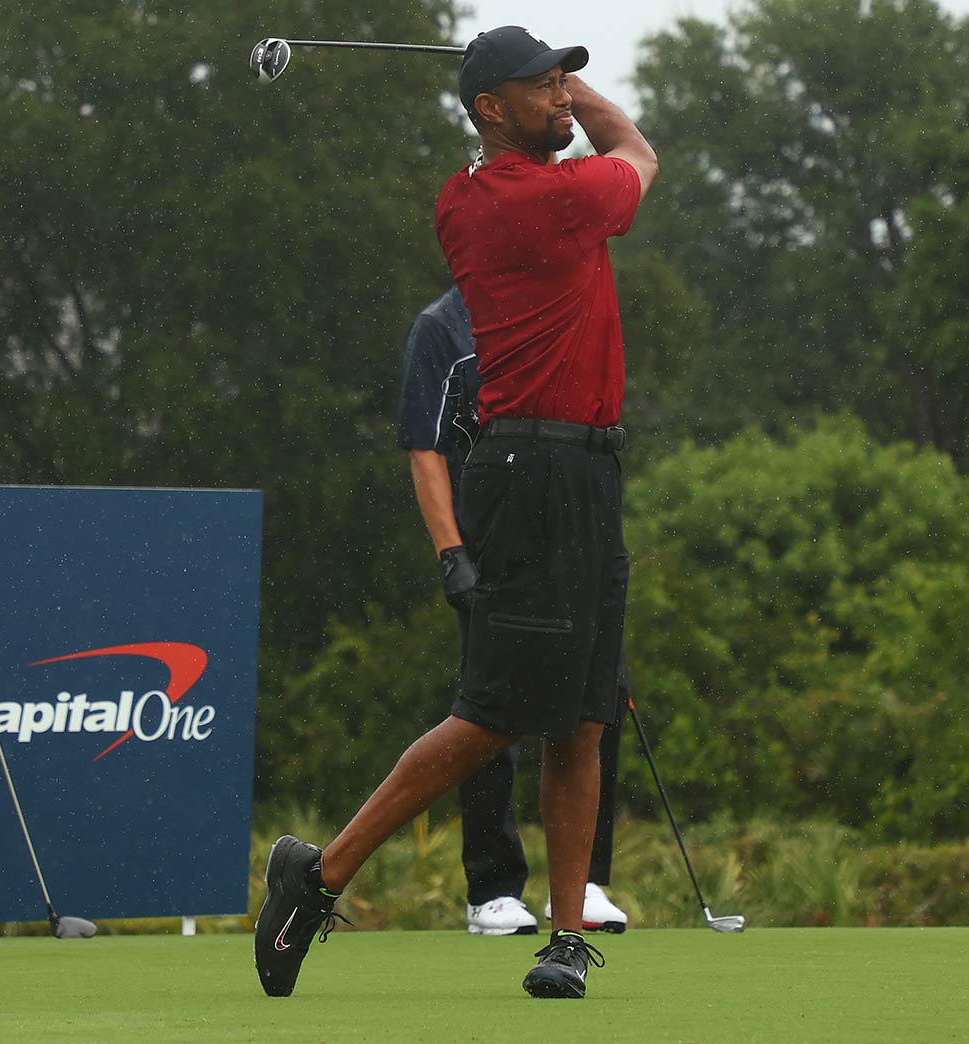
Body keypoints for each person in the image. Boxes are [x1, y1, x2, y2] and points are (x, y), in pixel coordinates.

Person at [255, 26, 656, 1000]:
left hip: (588, 473)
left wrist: (555, 84)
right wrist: (583, 104)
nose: (561, 101)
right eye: (539, 90)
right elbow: (637, 154)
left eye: (564, 86)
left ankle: (562, 938)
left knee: (584, 720)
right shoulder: (529, 202)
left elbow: (599, 139)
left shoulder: (488, 185)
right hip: (527, 474)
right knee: (491, 717)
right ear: (487, 109)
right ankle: (315, 876)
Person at [396, 287, 631, 939]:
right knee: (489, 712)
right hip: (493, 538)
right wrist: (451, 553)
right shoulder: (440, 327)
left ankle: (581, 882)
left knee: (595, 702)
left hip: (570, 526)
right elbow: (425, 446)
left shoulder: (557, 303)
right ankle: (493, 888)